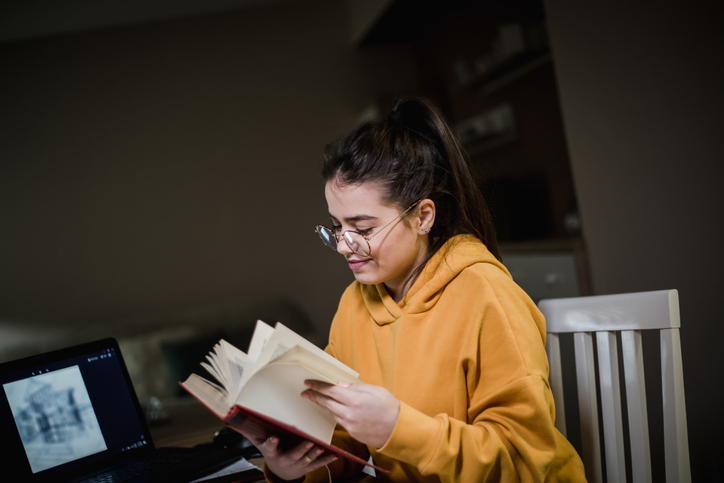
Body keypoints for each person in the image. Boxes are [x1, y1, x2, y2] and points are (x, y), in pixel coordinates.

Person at [250, 97, 586, 482]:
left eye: (362, 228)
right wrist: (291, 468)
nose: (344, 245)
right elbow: (346, 444)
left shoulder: (487, 296)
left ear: (423, 216)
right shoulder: (353, 306)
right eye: (336, 227)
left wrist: (399, 429)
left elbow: (524, 462)